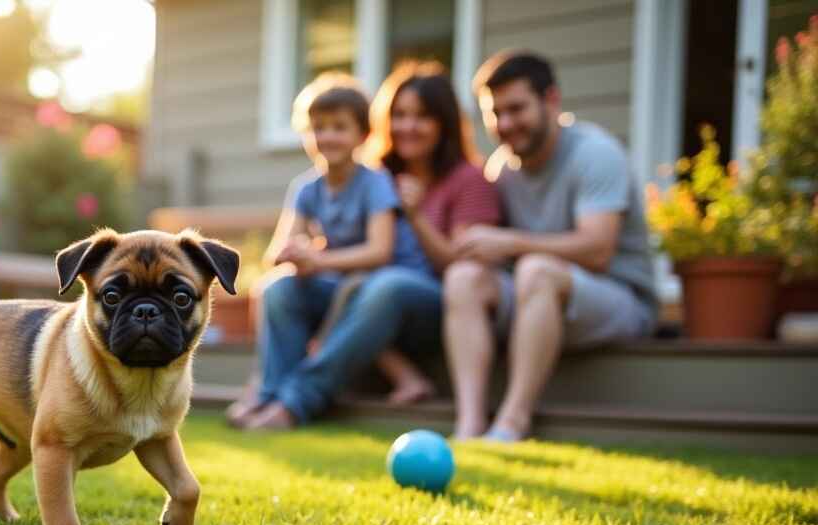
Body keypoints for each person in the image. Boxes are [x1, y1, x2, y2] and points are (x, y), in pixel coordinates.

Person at [229, 66, 493, 430]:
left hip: (408, 287)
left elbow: (381, 252)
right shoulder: (308, 187)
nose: (327, 136)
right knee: (278, 287)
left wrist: (318, 260)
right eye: (318, 128)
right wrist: (296, 253)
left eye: (339, 127)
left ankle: (296, 401)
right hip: (354, 282)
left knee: (374, 286)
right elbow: (284, 246)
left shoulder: (379, 180)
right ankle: (269, 393)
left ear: (361, 134)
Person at [443, 51, 657, 441]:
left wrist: (509, 242)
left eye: (516, 109)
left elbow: (598, 250)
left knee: (536, 269)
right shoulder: (502, 169)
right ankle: (469, 425)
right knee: (463, 278)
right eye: (495, 114)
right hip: (538, 300)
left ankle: (513, 422)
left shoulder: (595, 152)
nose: (505, 124)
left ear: (551, 100)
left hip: (619, 300)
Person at [369, 61, 502, 403]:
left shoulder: (469, 179)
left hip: (438, 306)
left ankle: (300, 394)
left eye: (422, 116)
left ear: (444, 124)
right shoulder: (377, 177)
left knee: (386, 284)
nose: (407, 126)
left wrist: (415, 216)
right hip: (375, 303)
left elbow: (457, 266)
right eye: (399, 115)